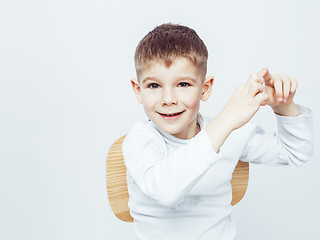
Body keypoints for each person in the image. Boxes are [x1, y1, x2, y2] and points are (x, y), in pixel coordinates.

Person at [122, 23, 314, 240]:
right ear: (138, 90)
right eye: (154, 86)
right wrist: (228, 118)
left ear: (205, 88)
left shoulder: (228, 132)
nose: (168, 100)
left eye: (183, 84)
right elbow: (166, 191)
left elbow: (296, 152)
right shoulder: (140, 140)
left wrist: (283, 105)